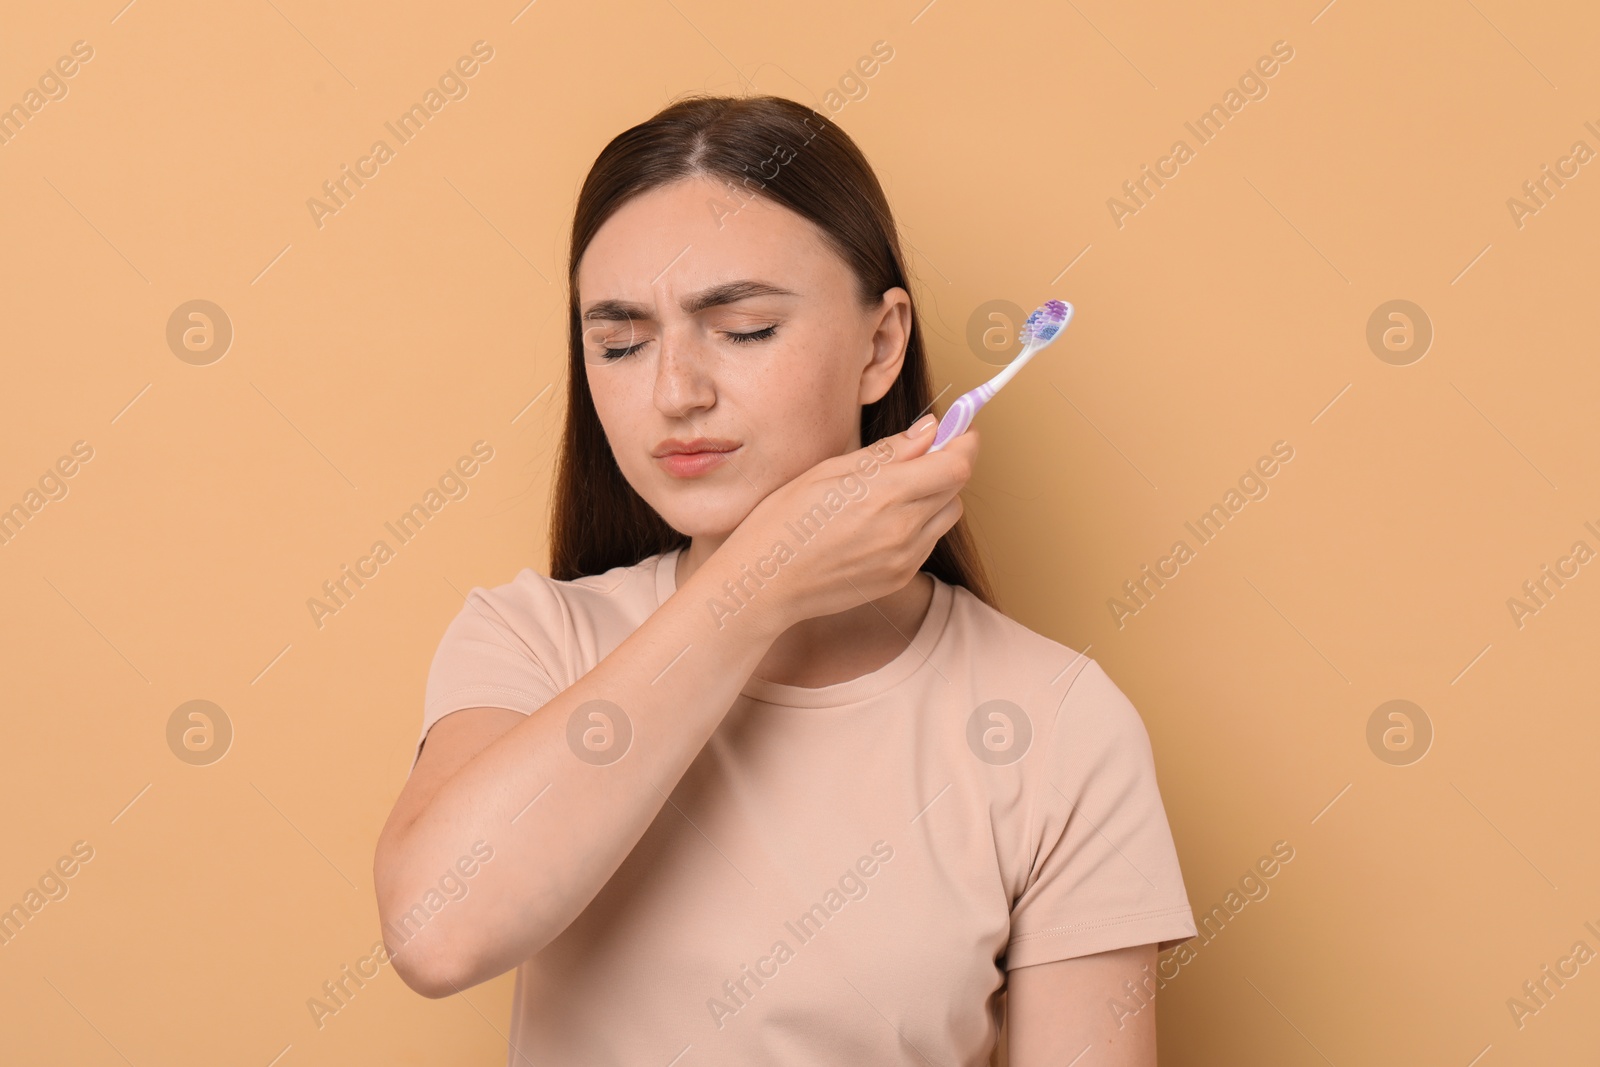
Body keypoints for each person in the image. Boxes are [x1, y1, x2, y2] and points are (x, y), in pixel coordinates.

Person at [373, 93, 1196, 1066]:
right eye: (621, 343)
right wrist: (760, 583)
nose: (675, 391)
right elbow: (435, 931)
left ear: (880, 345)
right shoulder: (531, 642)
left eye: (745, 327)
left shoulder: (1056, 725)